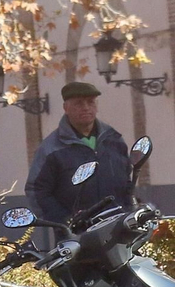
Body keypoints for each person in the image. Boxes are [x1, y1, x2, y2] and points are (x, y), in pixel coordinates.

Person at [25, 81, 133, 225]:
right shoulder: (51, 148)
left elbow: (126, 182)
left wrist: (129, 209)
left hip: (118, 228)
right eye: (79, 103)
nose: (86, 108)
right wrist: (65, 221)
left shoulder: (114, 140)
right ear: (66, 108)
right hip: (77, 236)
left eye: (91, 102)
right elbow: (36, 191)